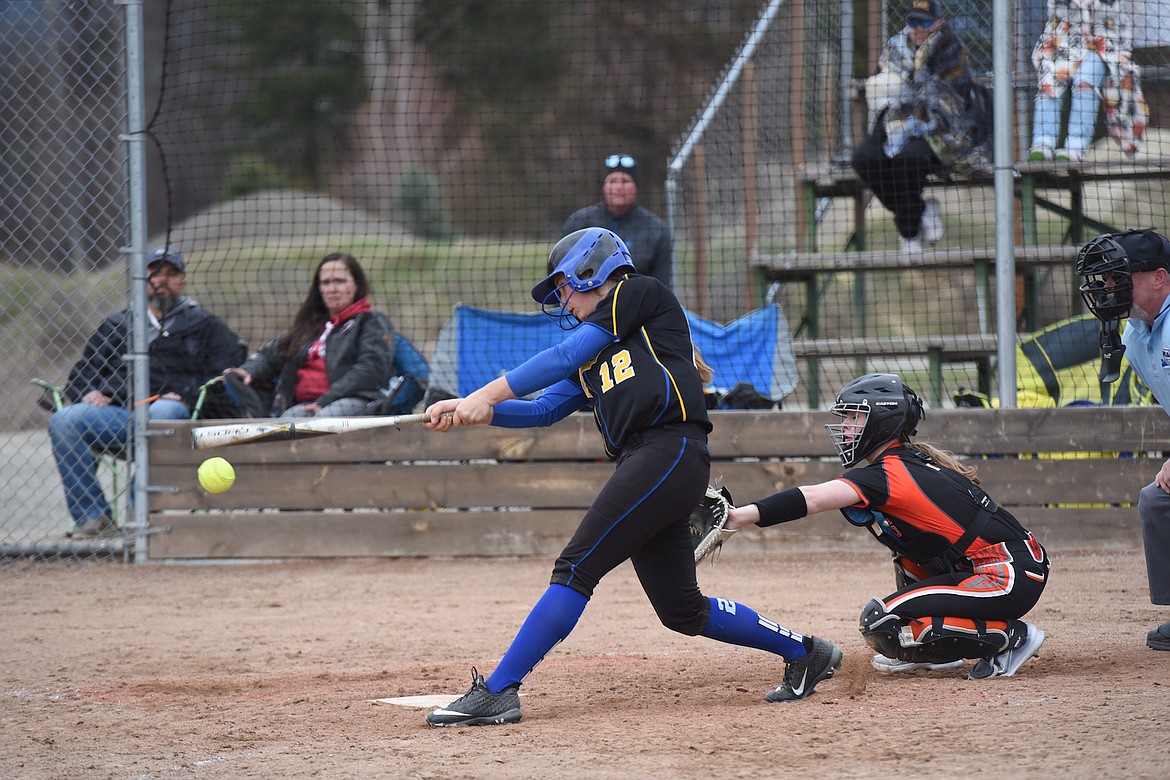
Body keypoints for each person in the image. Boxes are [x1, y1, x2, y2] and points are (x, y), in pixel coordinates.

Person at [421, 227, 841, 726]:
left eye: (563, 286)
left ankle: (499, 689)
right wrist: (478, 412)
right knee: (681, 610)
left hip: (669, 449)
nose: (562, 300)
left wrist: (487, 393)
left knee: (575, 568)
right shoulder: (597, 349)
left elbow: (564, 356)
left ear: (590, 269)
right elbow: (542, 411)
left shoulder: (638, 293)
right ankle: (808, 652)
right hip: (653, 463)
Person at [725, 374, 1050, 679]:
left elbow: (811, 499)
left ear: (882, 421)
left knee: (880, 621)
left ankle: (1013, 639)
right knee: (905, 551)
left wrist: (741, 516)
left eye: (855, 417)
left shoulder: (887, 474)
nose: (846, 426)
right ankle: (935, 652)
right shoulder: (908, 460)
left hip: (1004, 575)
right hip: (1013, 567)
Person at [49, 245, 246, 538]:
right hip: (121, 417)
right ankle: (94, 519)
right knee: (65, 420)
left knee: (162, 411)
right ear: (142, 280)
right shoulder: (117, 325)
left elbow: (228, 372)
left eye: (171, 273)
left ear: (183, 281)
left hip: (177, 420)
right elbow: (80, 375)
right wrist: (89, 392)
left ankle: (138, 516)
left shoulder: (205, 325)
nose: (161, 280)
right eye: (154, 273)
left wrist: (186, 394)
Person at [1074, 228, 1170, 651]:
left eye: (1122, 276)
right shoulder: (1134, 336)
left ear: (1159, 278)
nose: (1110, 288)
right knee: (1157, 499)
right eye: (1107, 279)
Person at [852, 0, 991, 254]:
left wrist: (910, 95)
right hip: (894, 124)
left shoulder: (950, 50)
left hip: (941, 131)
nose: (917, 28)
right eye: (913, 22)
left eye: (924, 22)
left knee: (910, 157)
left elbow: (949, 100)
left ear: (938, 23)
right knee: (864, 158)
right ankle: (920, 210)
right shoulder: (895, 47)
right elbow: (881, 84)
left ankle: (908, 231)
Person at [224, 252, 395, 418]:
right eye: (326, 283)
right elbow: (270, 354)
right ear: (318, 288)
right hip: (307, 405)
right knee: (286, 423)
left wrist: (327, 399)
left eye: (340, 281)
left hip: (355, 400)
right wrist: (247, 370)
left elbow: (371, 369)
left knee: (322, 422)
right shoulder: (311, 326)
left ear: (357, 284)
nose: (332, 289)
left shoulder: (371, 322)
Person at [1028, 0, 1147, 163]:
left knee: (1085, 82)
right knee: (1049, 82)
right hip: (1065, 42)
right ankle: (1043, 144)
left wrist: (1124, 53)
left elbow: (1119, 23)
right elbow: (1056, 16)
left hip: (1102, 44)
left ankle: (1076, 148)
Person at [561, 154, 674, 287]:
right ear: (604, 186)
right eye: (613, 181)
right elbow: (561, 279)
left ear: (635, 186)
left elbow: (662, 288)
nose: (619, 187)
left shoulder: (657, 230)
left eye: (625, 181)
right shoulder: (578, 223)